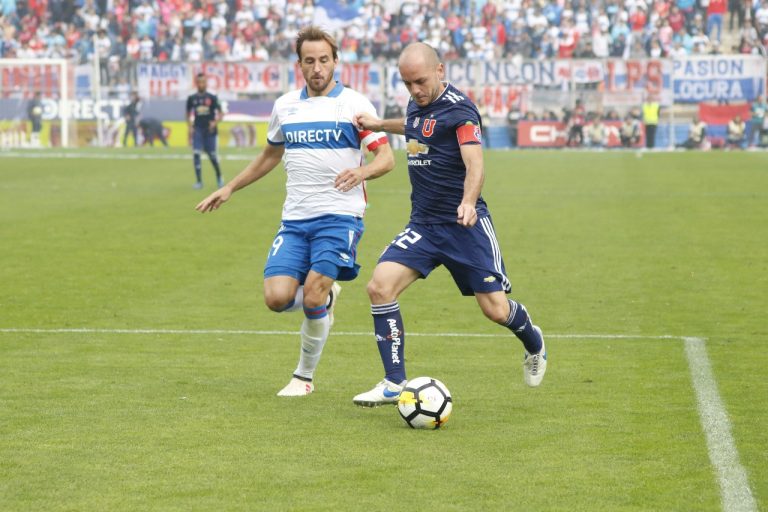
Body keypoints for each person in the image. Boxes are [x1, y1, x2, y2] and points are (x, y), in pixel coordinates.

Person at [195, 26, 395, 397]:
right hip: (295, 219)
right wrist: (229, 187)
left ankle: (303, 378)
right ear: (299, 65)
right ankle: (327, 297)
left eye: (324, 60)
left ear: (335, 61)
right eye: (309, 61)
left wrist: (362, 171)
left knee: (313, 296)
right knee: (276, 298)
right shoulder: (285, 106)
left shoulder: (355, 104)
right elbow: (270, 155)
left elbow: (386, 158)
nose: (317, 67)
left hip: (339, 217)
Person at [352, 42, 547, 407]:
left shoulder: (461, 112)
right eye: (407, 84)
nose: (414, 90)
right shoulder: (418, 104)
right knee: (380, 287)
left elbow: (475, 163)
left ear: (440, 71)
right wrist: (380, 124)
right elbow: (415, 126)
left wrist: (469, 201)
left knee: (496, 310)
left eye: (420, 81)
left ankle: (533, 341)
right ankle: (394, 382)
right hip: (424, 225)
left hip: (464, 225)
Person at [187, 73, 224, 189]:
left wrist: (215, 122)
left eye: (203, 82)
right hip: (198, 129)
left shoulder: (212, 97)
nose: (201, 84)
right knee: (196, 153)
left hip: (209, 130)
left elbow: (221, 113)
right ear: (196, 83)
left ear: (206, 83)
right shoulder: (192, 98)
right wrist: (190, 127)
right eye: (199, 82)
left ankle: (219, 176)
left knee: (212, 156)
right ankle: (199, 181)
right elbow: (187, 114)